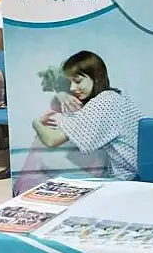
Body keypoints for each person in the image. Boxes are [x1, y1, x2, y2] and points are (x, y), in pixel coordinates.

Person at [29, 51, 143, 180]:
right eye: (70, 83)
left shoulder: (104, 102)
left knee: (50, 161)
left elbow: (52, 140)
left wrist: (35, 123)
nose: (72, 88)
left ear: (96, 77)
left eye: (77, 81)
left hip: (133, 178)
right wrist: (61, 95)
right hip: (133, 173)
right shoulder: (116, 95)